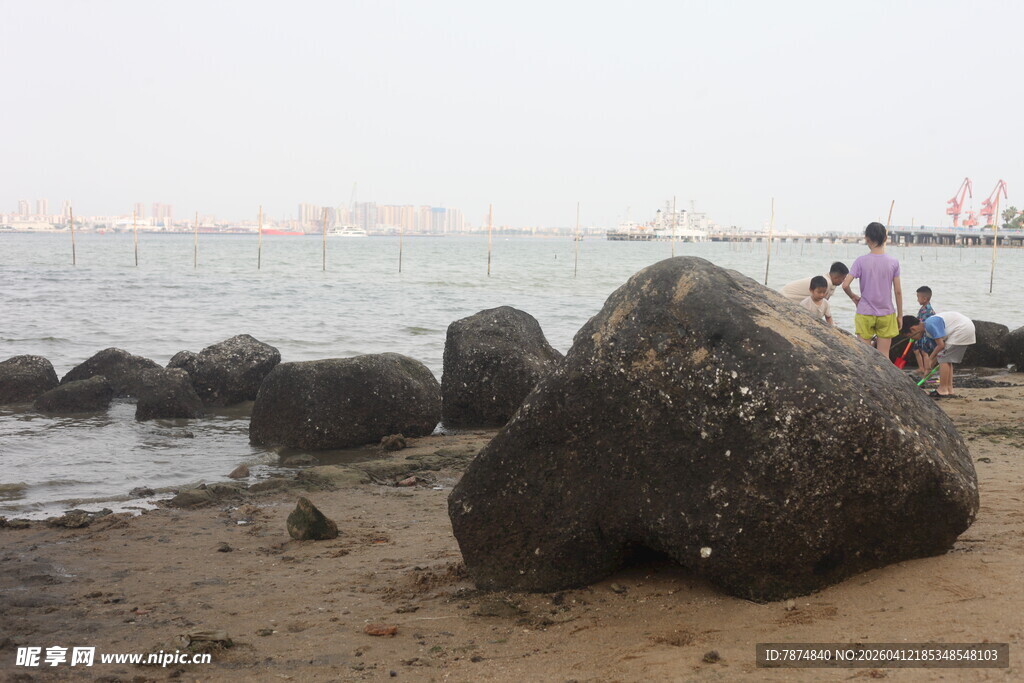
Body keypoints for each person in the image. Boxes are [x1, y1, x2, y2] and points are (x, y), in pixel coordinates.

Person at [842, 222, 902, 356]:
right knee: (884, 355)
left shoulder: (860, 261)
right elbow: (898, 291)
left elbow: (845, 285)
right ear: (885, 239)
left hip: (865, 312)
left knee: (866, 356)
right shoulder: (893, 262)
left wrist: (853, 296)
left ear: (867, 238)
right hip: (886, 313)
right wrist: (900, 315)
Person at [901, 312, 976, 398]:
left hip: (961, 329)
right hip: (965, 329)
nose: (912, 339)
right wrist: (928, 368)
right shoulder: (928, 331)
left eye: (910, 336)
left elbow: (941, 346)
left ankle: (943, 389)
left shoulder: (930, 324)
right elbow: (939, 351)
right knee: (947, 359)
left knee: (943, 359)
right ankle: (949, 389)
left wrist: (930, 358)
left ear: (913, 329)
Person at [780, 262, 850, 303]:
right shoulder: (826, 283)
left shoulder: (830, 282)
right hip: (785, 296)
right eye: (843, 278)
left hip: (785, 293)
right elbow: (818, 305)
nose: (843, 281)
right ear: (836, 277)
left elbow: (823, 305)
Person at [913, 286, 937, 378]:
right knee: (916, 350)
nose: (917, 300)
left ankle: (927, 369)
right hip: (919, 334)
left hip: (925, 334)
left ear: (924, 298)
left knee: (924, 352)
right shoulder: (923, 308)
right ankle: (921, 368)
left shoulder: (927, 310)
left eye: (918, 297)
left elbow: (924, 324)